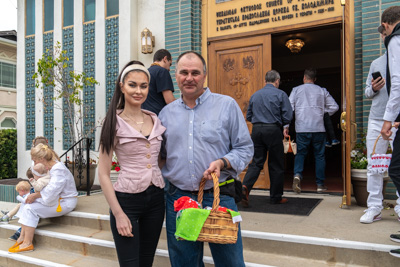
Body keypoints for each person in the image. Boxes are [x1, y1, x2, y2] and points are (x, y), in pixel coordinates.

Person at [158, 51, 253, 267]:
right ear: (176, 75)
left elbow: (245, 149)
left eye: (195, 72)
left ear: (205, 75)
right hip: (179, 199)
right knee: (184, 263)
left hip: (220, 199)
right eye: (184, 72)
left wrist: (222, 162)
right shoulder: (165, 114)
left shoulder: (226, 105)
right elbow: (160, 157)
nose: (189, 77)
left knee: (231, 262)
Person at [98, 60, 166, 267]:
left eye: (144, 86)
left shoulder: (155, 118)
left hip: (156, 199)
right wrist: (118, 214)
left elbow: (159, 159)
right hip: (127, 201)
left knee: (146, 261)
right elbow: (103, 174)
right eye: (133, 85)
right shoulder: (112, 122)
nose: (138, 91)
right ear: (122, 87)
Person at [8, 143, 78, 253]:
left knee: (30, 208)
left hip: (65, 202)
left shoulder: (58, 169)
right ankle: (22, 238)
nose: (34, 164)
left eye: (35, 161)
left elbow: (51, 193)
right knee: (27, 203)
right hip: (58, 199)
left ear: (41, 159)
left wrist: (35, 195)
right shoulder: (52, 167)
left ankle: (27, 243)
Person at [361, 25, 399, 224]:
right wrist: (374, 89)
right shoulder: (376, 62)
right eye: (383, 35)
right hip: (377, 119)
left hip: (397, 121)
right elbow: (367, 92)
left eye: (386, 34)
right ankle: (374, 207)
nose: (385, 37)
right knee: (374, 165)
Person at [241, 70, 292, 207]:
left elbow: (249, 116)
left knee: (256, 162)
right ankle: (275, 197)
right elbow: (288, 115)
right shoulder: (281, 94)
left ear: (265, 81)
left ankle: (245, 187)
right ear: (277, 81)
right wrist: (282, 124)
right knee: (276, 164)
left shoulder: (255, 95)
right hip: (273, 130)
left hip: (257, 130)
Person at [289, 67, 339, 193]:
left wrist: (286, 126)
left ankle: (297, 175)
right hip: (318, 128)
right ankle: (320, 185)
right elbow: (335, 107)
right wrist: (323, 112)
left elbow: (289, 108)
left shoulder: (296, 90)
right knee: (320, 156)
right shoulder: (322, 91)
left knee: (300, 154)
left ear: (304, 78)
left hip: (302, 128)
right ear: (315, 79)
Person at [377, 6, 400, 258]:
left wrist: (388, 118)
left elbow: (399, 83)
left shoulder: (395, 39)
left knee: (395, 169)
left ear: (386, 24)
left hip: (393, 114)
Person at [141, 49, 175, 115]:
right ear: (165, 59)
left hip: (145, 116)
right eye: (170, 64)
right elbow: (170, 101)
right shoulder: (162, 71)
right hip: (158, 117)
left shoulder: (145, 72)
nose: (169, 69)